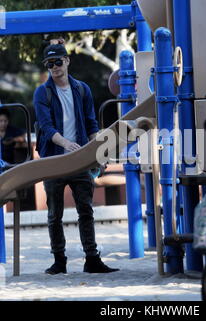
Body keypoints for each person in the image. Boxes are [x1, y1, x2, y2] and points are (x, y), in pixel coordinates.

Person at [33, 41, 119, 274]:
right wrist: (65, 144)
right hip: (53, 159)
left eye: (58, 61)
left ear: (67, 61)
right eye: (49, 63)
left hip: (80, 157)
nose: (54, 67)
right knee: (54, 214)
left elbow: (92, 123)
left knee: (86, 210)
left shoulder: (82, 89)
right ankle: (59, 261)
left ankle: (92, 258)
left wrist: (97, 152)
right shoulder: (42, 92)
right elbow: (47, 127)